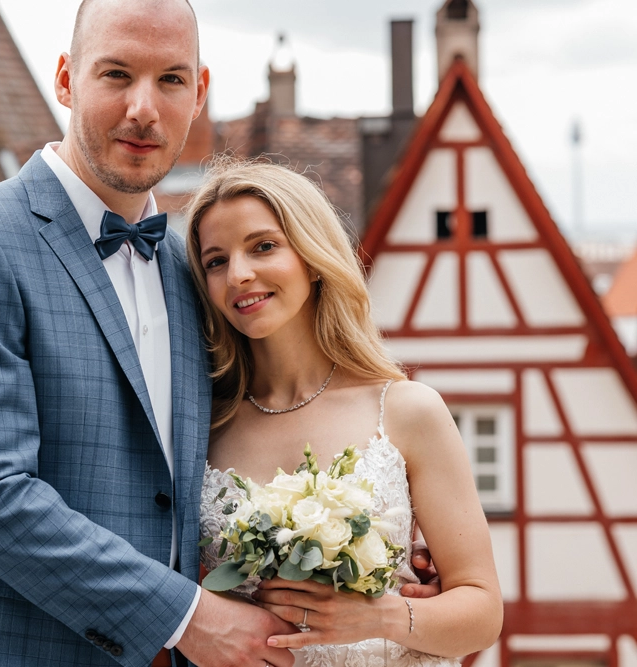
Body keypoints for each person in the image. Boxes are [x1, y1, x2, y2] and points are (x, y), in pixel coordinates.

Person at [0, 1, 305, 666]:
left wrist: (354, 563)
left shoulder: (193, 267)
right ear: (65, 78)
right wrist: (185, 616)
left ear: (198, 94)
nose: (144, 108)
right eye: (116, 74)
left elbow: (243, 447)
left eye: (171, 80)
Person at [186, 160, 504, 665]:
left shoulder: (406, 411)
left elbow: (483, 614)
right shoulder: (199, 427)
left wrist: (380, 615)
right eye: (216, 261)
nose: (239, 274)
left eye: (263, 246)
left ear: (312, 258)